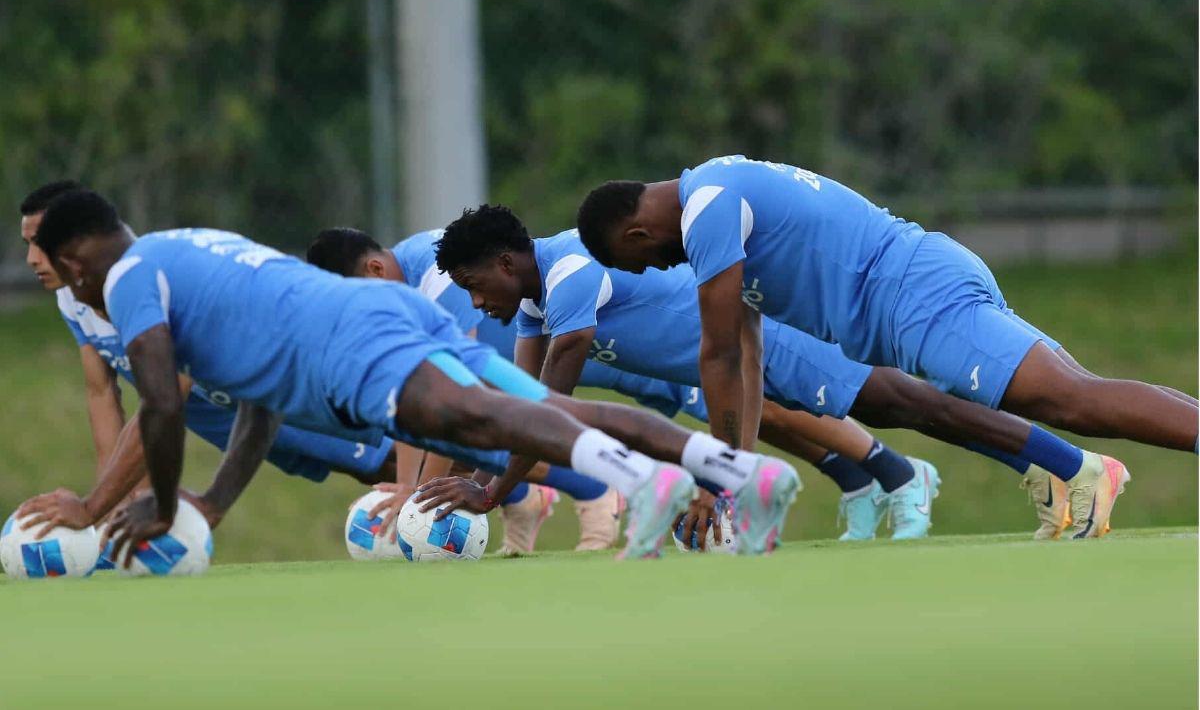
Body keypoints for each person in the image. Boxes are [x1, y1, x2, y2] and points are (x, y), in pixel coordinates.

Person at [33, 189, 800, 562]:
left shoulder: (131, 278)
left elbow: (160, 404)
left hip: (351, 338)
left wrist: (153, 506)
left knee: (482, 421)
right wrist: (213, 502)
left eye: (62, 277)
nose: (73, 294)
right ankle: (737, 472)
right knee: (534, 407)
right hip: (381, 319)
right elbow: (259, 405)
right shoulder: (180, 245)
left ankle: (643, 484)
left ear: (76, 262)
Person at [575, 156, 1196, 537]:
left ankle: (1083, 470)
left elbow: (718, 356)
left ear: (636, 232)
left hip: (914, 295)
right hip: (920, 283)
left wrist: (713, 479)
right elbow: (748, 356)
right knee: (1069, 392)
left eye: (643, 261)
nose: (658, 271)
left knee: (1072, 401)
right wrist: (730, 476)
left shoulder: (705, 210)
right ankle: (1083, 476)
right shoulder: (714, 195)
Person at [436, 205, 1123, 541]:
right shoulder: (532, 305)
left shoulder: (568, 273)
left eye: (473, 283)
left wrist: (496, 489)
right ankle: (1050, 464)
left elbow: (550, 404)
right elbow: (527, 407)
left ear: (504, 262)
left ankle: (1072, 462)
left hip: (771, 338)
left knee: (908, 403)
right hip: (728, 365)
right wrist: (494, 486)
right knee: (905, 406)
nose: (475, 303)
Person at [313, 224, 934, 543]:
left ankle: (893, 468)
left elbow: (449, 400)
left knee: (766, 404)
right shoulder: (425, 292)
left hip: (602, 343)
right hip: (603, 352)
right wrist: (423, 487)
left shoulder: (437, 281)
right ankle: (858, 477)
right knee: (744, 410)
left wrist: (413, 490)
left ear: (373, 268)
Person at [15, 182, 398, 546]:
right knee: (380, 465)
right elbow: (102, 394)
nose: (33, 258)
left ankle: (440, 515)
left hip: (303, 361)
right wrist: (112, 506)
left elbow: (165, 399)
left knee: (399, 449)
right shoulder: (77, 298)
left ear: (77, 248)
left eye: (41, 243)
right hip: (239, 417)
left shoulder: (137, 278)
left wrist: (93, 506)